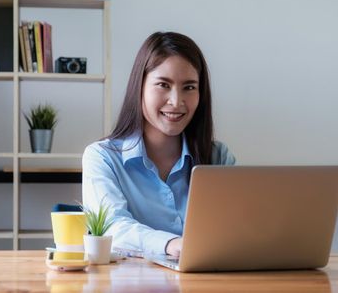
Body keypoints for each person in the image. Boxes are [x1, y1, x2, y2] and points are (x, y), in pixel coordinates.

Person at [82, 31, 235, 257]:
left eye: (189, 87)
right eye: (163, 84)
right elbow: (111, 228)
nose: (176, 101)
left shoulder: (217, 157)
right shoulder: (102, 157)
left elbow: (236, 228)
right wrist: (172, 244)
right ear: (140, 87)